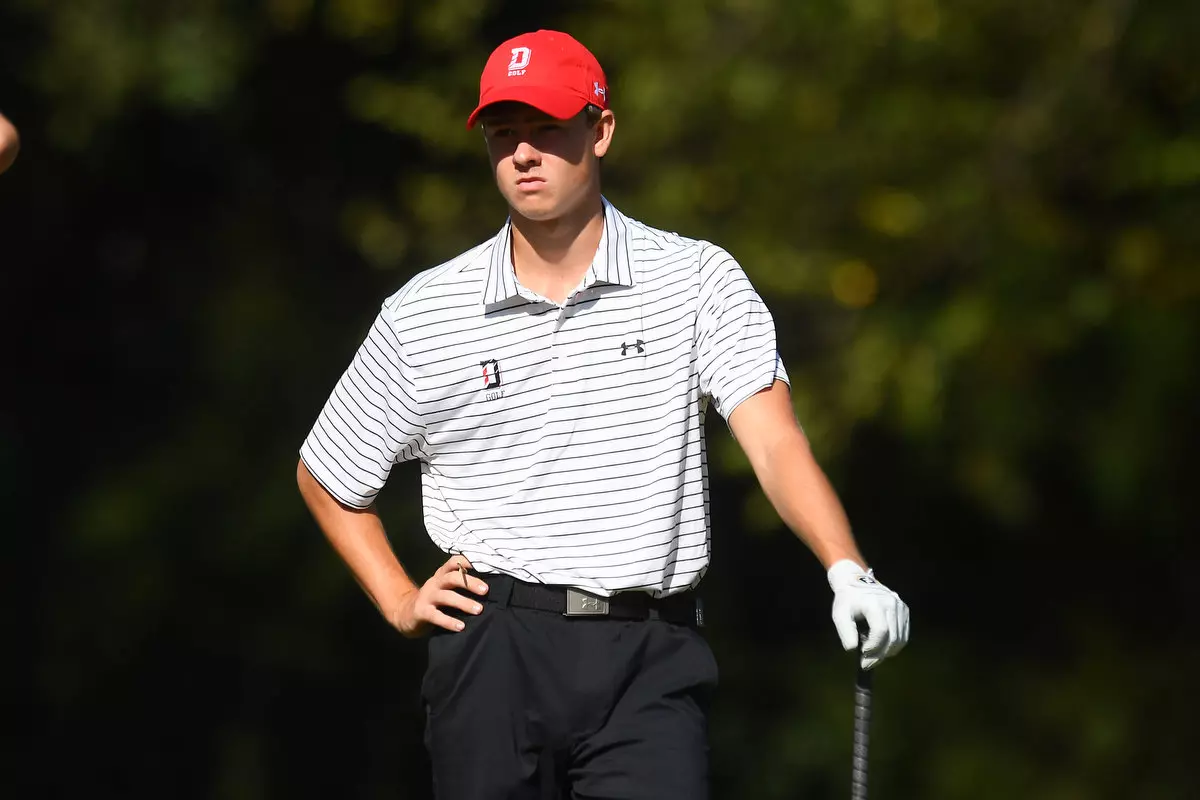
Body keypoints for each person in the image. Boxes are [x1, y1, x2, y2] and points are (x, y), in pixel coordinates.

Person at [297, 29, 910, 800]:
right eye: (503, 134)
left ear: (601, 129)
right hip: (495, 650)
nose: (524, 154)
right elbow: (327, 474)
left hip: (650, 654)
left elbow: (775, 442)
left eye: (547, 129)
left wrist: (846, 568)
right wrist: (397, 598)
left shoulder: (695, 280)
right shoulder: (427, 312)